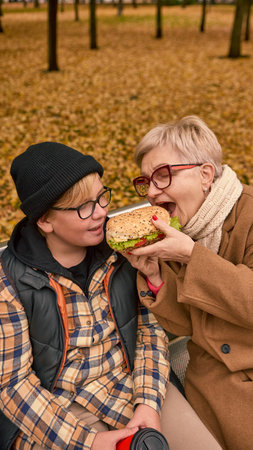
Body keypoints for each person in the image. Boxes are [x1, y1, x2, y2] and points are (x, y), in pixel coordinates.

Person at [124, 115, 253, 450]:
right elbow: (186, 325)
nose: (151, 192)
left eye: (163, 175)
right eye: (146, 181)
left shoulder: (249, 215)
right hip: (212, 378)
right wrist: (154, 278)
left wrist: (193, 257)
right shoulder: (175, 233)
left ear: (205, 175)